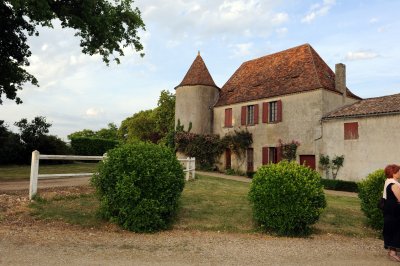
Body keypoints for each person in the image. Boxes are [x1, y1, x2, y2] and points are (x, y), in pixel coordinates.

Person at [383, 164, 400, 262]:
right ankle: (393, 253)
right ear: (393, 173)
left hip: (391, 211)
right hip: (395, 212)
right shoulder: (394, 185)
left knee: (394, 229)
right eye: (398, 171)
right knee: (396, 230)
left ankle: (393, 251)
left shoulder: (388, 182)